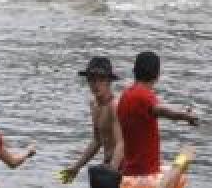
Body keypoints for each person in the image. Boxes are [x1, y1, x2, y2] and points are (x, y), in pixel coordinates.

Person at [117, 52, 199, 184]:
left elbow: (158, 108)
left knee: (177, 169)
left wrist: (180, 111)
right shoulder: (144, 95)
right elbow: (161, 109)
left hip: (128, 177)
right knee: (188, 154)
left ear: (134, 71)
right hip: (145, 179)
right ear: (157, 75)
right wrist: (184, 116)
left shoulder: (125, 95)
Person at [59, 57, 124, 186]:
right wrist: (76, 167)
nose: (96, 84)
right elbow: (97, 140)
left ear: (109, 81)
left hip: (121, 167)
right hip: (107, 164)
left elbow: (121, 144)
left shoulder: (115, 106)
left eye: (101, 79)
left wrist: (111, 173)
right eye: (92, 79)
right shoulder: (94, 105)